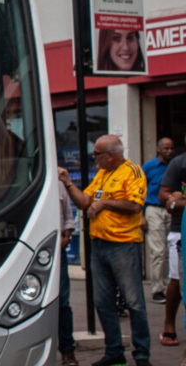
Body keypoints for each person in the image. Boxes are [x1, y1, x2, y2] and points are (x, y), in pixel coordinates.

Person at [59, 135, 150, 366]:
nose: (94, 158)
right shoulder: (102, 174)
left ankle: (141, 354)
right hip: (98, 245)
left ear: (110, 155)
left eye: (97, 154)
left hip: (124, 245)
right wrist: (68, 182)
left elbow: (135, 205)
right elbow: (83, 202)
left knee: (134, 302)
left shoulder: (133, 172)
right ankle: (114, 352)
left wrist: (103, 204)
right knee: (103, 302)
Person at [159, 140, 186, 347]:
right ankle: (169, 324)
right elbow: (165, 196)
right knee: (177, 280)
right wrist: (174, 201)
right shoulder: (179, 163)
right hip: (180, 230)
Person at [144, 138, 175, 304]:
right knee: (159, 251)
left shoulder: (175, 166)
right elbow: (139, 190)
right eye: (166, 148)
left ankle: (172, 287)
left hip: (173, 211)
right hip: (154, 210)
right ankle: (158, 290)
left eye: (171, 148)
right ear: (158, 149)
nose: (169, 151)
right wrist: (141, 215)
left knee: (172, 250)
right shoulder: (149, 167)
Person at [58, 180, 80, 365]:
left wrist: (67, 235)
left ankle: (67, 350)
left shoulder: (58, 183)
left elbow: (67, 216)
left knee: (62, 302)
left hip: (56, 250)